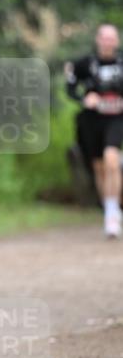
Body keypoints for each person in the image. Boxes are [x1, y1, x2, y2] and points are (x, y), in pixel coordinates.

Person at [64, 23, 123, 238]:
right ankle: (109, 207)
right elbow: (70, 88)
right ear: (98, 40)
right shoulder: (84, 64)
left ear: (116, 41)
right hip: (92, 120)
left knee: (111, 159)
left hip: (117, 119)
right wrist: (84, 99)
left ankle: (112, 216)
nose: (108, 42)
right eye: (104, 38)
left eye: (111, 38)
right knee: (99, 168)